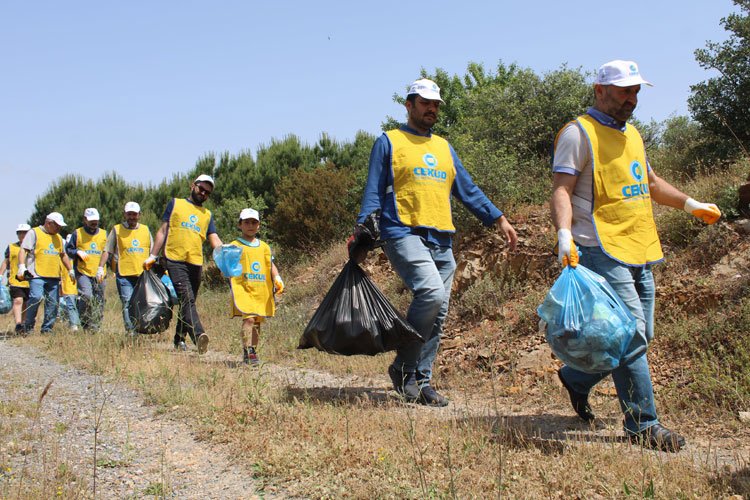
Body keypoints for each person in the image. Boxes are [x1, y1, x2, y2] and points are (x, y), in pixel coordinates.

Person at [551, 60, 722, 452]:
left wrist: (692, 204)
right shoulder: (579, 134)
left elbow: (651, 183)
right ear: (600, 90)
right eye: (625, 90)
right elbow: (562, 189)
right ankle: (643, 424)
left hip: (638, 247)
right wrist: (564, 235)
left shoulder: (632, 135)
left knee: (641, 334)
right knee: (630, 337)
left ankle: (576, 379)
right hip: (598, 247)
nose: (633, 98)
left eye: (636, 91)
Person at [355, 78, 518, 407]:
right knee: (430, 292)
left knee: (439, 311)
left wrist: (498, 218)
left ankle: (421, 380)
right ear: (409, 105)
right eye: (424, 102)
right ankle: (403, 368)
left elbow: (467, 189)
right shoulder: (389, 141)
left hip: (441, 235)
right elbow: (373, 188)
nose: (431, 108)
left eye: (436, 104)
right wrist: (364, 226)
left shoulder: (444, 148)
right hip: (402, 230)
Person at [143, 174, 223, 353]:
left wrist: (225, 252)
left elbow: (214, 238)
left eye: (207, 192)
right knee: (186, 298)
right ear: (192, 185)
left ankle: (179, 339)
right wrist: (153, 255)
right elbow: (163, 230)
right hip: (174, 259)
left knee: (189, 301)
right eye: (201, 188)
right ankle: (198, 335)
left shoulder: (207, 215)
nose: (203, 193)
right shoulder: (176, 204)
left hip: (195, 261)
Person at [228, 208, 284, 366]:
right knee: (249, 319)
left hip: (261, 290)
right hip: (244, 289)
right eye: (246, 222)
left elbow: (270, 264)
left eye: (254, 222)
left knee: (257, 322)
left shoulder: (265, 247)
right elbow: (227, 265)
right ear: (240, 225)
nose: (250, 225)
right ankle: (248, 350)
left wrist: (277, 278)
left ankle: (252, 350)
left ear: (259, 225)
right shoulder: (234, 245)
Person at [97, 202, 153, 334]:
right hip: (124, 274)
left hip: (142, 275)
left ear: (139, 215)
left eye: (134, 214)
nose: (132, 217)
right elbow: (107, 250)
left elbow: (152, 251)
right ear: (124, 214)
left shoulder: (145, 230)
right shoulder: (116, 230)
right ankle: (131, 332)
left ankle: (141, 329)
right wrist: (100, 267)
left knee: (141, 304)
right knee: (127, 302)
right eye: (129, 214)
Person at [16, 212, 75, 334]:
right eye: (57, 225)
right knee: (36, 298)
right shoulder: (34, 233)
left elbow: (63, 255)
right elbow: (23, 250)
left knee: (53, 303)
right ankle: (29, 326)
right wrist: (22, 266)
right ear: (48, 223)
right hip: (36, 274)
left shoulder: (58, 237)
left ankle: (47, 328)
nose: (59, 228)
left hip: (53, 275)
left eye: (60, 226)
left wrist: (70, 269)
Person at [65, 208, 107, 332]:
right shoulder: (77, 233)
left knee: (99, 299)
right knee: (87, 296)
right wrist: (77, 252)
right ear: (85, 220)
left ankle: (95, 327)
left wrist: (104, 268)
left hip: (99, 272)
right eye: (91, 221)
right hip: (83, 272)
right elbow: (68, 249)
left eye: (96, 220)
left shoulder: (104, 234)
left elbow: (107, 252)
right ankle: (85, 321)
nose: (94, 223)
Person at [0, 224, 32, 334]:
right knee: (18, 300)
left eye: (25, 232)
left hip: (31, 280)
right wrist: (0, 275)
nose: (22, 235)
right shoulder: (11, 247)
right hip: (15, 280)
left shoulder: (34, 247)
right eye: (20, 232)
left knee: (26, 304)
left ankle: (23, 324)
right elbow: (6, 262)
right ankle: (18, 324)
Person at [58, 244, 81, 331]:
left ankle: (79, 324)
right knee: (71, 306)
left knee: (79, 306)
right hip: (68, 287)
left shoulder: (79, 258)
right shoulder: (62, 259)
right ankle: (74, 325)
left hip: (79, 287)